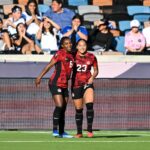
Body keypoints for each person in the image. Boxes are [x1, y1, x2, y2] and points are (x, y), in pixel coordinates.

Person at [35, 37, 74, 138]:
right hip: (55, 83)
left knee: (63, 108)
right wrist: (39, 77)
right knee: (59, 105)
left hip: (65, 84)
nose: (69, 45)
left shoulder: (72, 55)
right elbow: (49, 65)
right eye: (66, 43)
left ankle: (62, 132)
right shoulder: (59, 54)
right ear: (62, 45)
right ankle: (55, 130)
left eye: (70, 43)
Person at [71, 39, 99, 138]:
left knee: (90, 106)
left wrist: (92, 77)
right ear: (77, 46)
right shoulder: (72, 56)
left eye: (84, 45)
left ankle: (90, 131)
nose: (82, 47)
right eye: (80, 45)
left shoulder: (91, 56)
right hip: (76, 85)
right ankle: (79, 132)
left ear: (86, 46)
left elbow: (96, 70)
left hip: (87, 83)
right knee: (79, 109)